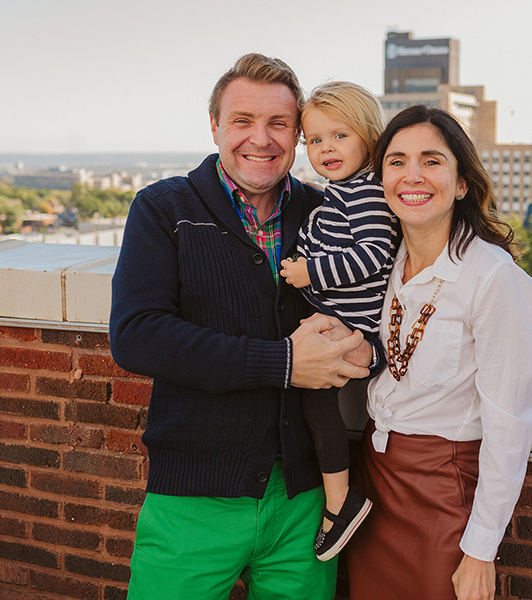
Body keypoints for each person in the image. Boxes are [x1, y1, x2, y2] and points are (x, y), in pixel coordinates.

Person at [109, 54, 378, 600]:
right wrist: (283, 363)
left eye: (279, 123)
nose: (262, 138)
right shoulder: (164, 208)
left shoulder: (324, 210)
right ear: (214, 126)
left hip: (307, 508)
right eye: (241, 121)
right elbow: (137, 333)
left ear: (298, 134)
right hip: (194, 499)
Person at [345, 105, 532, 600]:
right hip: (373, 486)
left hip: (442, 495)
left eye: (432, 161)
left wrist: (479, 552)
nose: (412, 175)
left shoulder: (493, 278)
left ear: (461, 184)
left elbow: (509, 427)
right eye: (396, 162)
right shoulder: (382, 261)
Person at [279, 81, 398, 561]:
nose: (326, 148)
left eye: (340, 136)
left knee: (313, 398)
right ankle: (335, 496)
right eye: (315, 140)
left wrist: (310, 270)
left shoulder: (364, 193)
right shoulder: (340, 192)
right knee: (308, 399)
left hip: (351, 327)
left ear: (369, 136)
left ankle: (339, 501)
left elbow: (373, 254)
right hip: (338, 320)